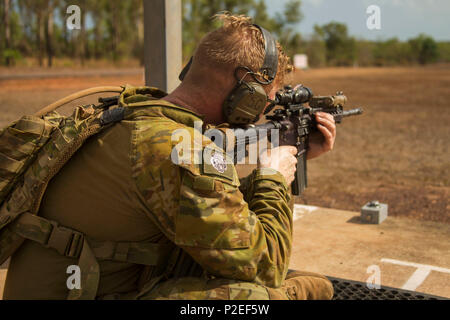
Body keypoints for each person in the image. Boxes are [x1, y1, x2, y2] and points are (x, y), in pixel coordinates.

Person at [3, 13, 336, 300]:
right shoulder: (181, 148)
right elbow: (266, 267)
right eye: (266, 99)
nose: (264, 109)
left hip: (58, 288)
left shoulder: (133, 114)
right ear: (246, 92)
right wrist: (273, 178)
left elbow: (201, 204)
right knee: (272, 294)